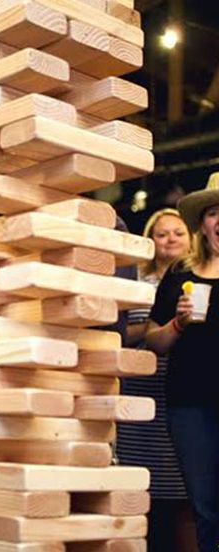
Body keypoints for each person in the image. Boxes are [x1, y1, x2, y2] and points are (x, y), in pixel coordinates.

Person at [146, 173, 219, 552]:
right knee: (206, 508)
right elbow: (153, 340)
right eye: (212, 212)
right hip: (190, 404)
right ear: (203, 223)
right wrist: (177, 322)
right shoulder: (180, 275)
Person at [118, 208, 196, 552]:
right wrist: (156, 329)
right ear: (150, 241)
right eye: (162, 233)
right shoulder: (134, 284)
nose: (170, 239)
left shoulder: (201, 279)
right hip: (138, 397)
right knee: (140, 490)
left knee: (185, 493)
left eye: (178, 232)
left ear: (192, 237)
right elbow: (116, 335)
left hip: (181, 392)